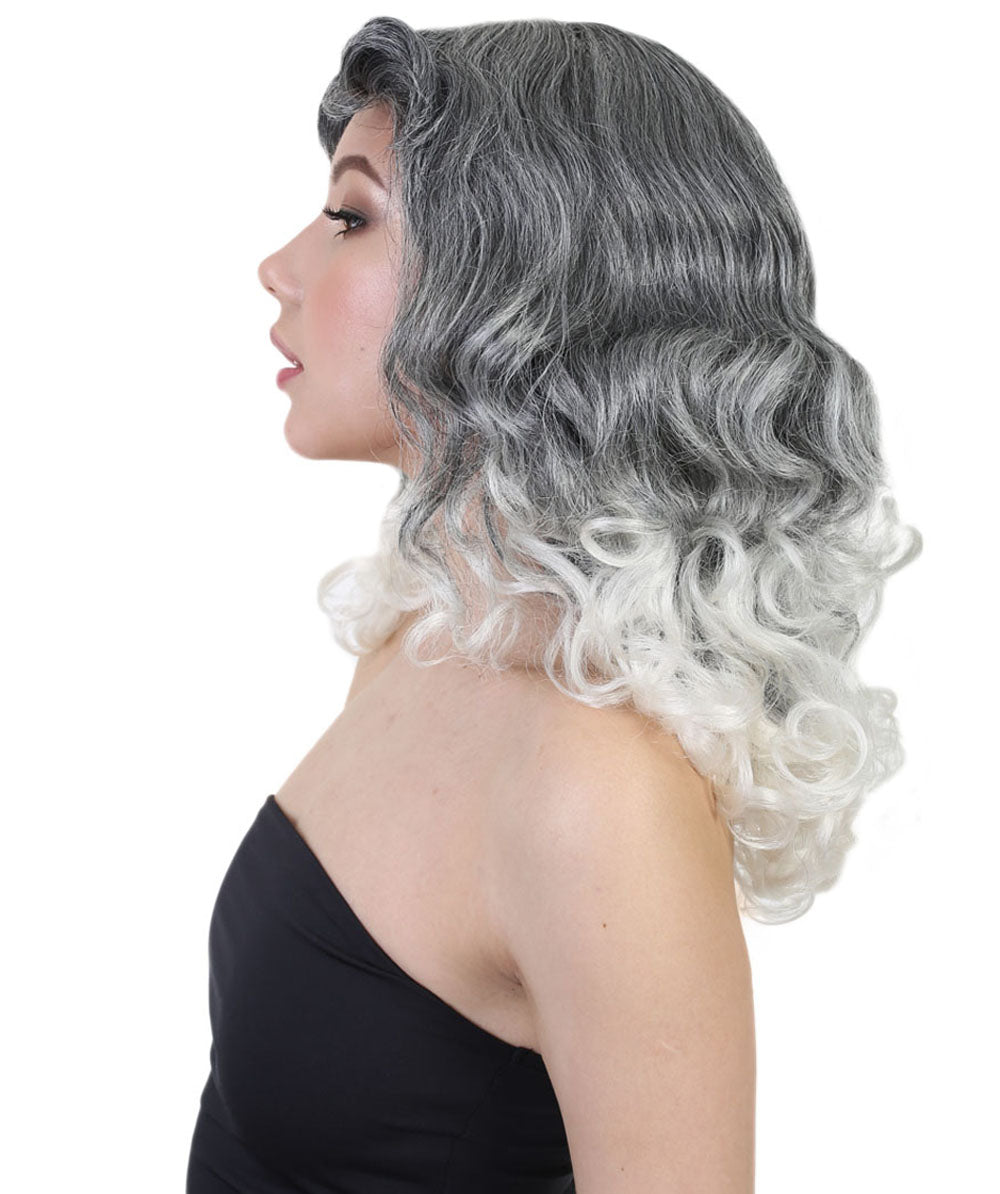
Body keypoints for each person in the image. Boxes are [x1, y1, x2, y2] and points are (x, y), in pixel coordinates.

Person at [186, 16, 921, 1192]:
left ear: (524, 289)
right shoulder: (423, 636)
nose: (281, 265)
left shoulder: (595, 791)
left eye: (351, 216)